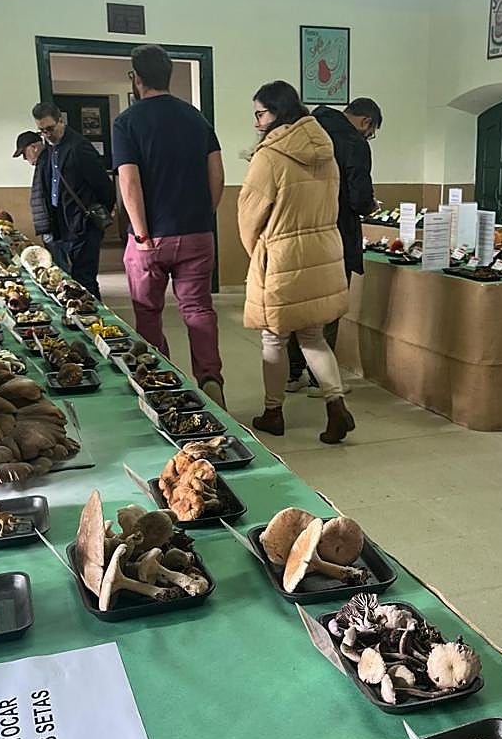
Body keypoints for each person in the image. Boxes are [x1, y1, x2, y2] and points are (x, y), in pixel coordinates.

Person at [239, 81, 355, 444]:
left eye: (261, 113)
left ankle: (273, 412)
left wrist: (256, 251)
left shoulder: (269, 156)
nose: (257, 122)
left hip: (283, 254)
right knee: (312, 334)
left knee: (273, 337)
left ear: (278, 112)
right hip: (323, 250)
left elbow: (249, 214)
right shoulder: (325, 150)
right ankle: (336, 405)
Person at [113, 44, 226, 407]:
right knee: (198, 309)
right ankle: (210, 378)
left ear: (136, 78)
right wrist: (203, 215)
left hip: (152, 237)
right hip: (197, 232)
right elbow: (217, 174)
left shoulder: (127, 122)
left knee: (148, 312)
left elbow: (128, 182)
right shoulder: (197, 119)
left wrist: (142, 233)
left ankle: (161, 382)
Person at [286, 97, 382, 395]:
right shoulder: (354, 142)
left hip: (298, 233)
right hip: (336, 234)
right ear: (366, 122)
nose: (369, 136)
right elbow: (358, 197)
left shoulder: (305, 129)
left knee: (300, 304)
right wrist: (369, 206)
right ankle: (320, 379)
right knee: (329, 306)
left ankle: (292, 374)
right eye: (372, 131)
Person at [30, 102, 115, 298]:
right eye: (42, 131)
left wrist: (95, 214)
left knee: (84, 280)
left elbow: (104, 187)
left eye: (50, 129)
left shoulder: (79, 147)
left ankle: (95, 322)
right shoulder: (51, 149)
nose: (47, 134)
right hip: (62, 223)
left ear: (61, 121)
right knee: (70, 280)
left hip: (83, 223)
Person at [12, 131, 50, 242]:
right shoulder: (43, 163)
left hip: (53, 228)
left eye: (24, 153)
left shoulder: (46, 163)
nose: (24, 158)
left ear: (34, 147)